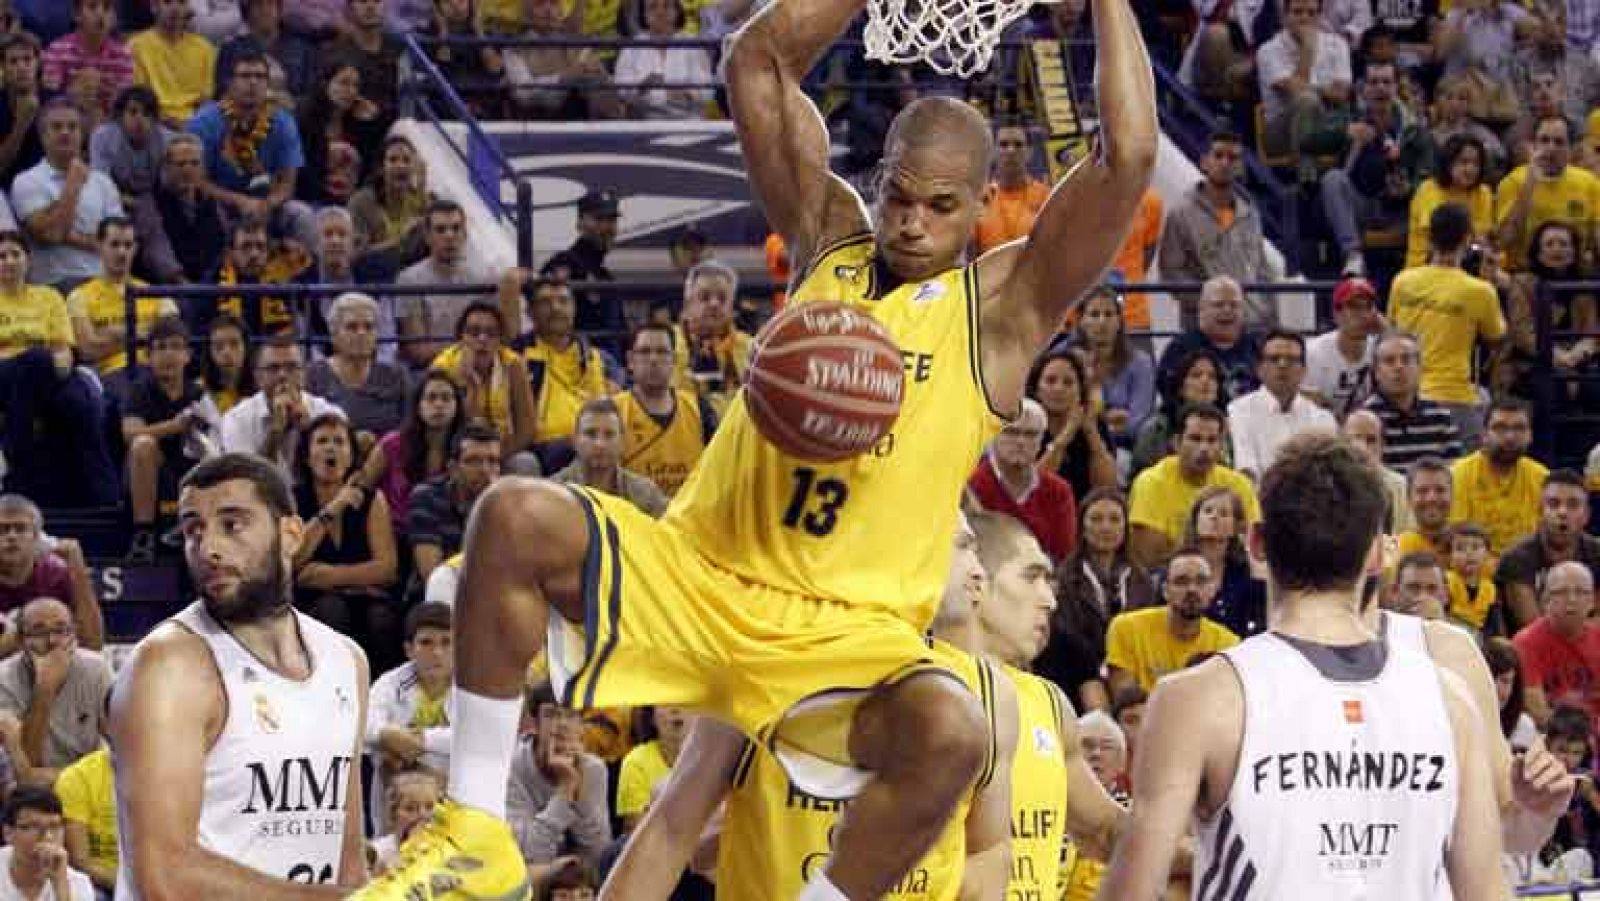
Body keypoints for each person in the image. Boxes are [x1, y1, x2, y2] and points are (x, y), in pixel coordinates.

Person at [357, 0, 1156, 891]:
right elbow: (756, 63)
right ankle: (473, 830)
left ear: (978, 210)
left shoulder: (999, 313)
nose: (911, 221)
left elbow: (1126, 158)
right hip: (702, 577)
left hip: (842, 634)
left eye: (940, 206)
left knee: (953, 732)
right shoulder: (828, 236)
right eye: (898, 195)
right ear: (878, 178)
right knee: (511, 516)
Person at [1098, 431, 1509, 898]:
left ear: (1256, 543)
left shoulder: (1198, 698)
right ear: (1378, 555)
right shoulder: (1450, 701)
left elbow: (1131, 891)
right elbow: (1487, 892)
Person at [598, 514, 1021, 901]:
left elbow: (989, 853)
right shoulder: (760, 670)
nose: (978, 570)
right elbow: (672, 831)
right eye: (961, 546)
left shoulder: (986, 694)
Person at [109, 453, 369, 898]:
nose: (208, 548)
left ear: (291, 534)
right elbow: (165, 876)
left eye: (232, 525)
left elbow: (348, 859)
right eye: (193, 530)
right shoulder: (169, 664)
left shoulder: (346, 660)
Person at [966, 511, 1134, 900]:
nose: (1050, 600)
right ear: (976, 580)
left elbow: (1103, 830)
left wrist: (1208, 852)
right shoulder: (918, 694)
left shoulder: (1050, 702)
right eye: (1031, 577)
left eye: (1050, 581)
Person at [1389, 202, 1507, 447]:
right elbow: (1497, 338)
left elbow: (1391, 329)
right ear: (1467, 239)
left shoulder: (1402, 281)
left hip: (1405, 394)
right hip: (1454, 396)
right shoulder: (1480, 290)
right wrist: (1491, 282)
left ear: (1430, 238)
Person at [291, 415, 400, 668]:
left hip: (367, 597)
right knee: (332, 611)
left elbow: (386, 568)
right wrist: (334, 508)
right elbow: (292, 561)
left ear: (351, 456)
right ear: (307, 456)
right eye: (322, 441)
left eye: (339, 442)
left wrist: (327, 575)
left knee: (380, 619)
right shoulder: (294, 499)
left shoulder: (372, 500)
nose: (331, 448)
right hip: (312, 601)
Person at [1037, 488, 1156, 712]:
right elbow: (1066, 638)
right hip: (1079, 681)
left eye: (1114, 519)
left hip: (1134, 679)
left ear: (1125, 527)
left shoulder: (1142, 581)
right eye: (1096, 519)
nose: (1106, 527)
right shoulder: (1064, 580)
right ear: (1082, 526)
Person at [11, 97, 124, 294]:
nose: (65, 132)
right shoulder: (26, 181)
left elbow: (117, 242)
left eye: (72, 127)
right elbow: (51, 236)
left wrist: (69, 235)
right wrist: (73, 184)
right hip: (54, 285)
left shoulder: (103, 182)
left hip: (102, 282)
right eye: (56, 127)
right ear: (43, 136)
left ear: (82, 134)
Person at [1128, 403, 1259, 567]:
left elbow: (1254, 548)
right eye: (1195, 439)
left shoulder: (1238, 484)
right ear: (1176, 443)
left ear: (1221, 446)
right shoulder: (1151, 482)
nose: (1204, 448)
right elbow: (1148, 559)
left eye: (1212, 440)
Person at [365, 603, 453, 835]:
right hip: (397, 808)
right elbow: (364, 725)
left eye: (446, 642)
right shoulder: (390, 683)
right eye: (426, 643)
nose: (437, 652)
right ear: (408, 649)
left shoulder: (471, 687)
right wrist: (387, 734)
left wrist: (420, 740)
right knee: (387, 753)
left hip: (456, 802)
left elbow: (475, 738)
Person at [122, 315, 204, 563]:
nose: (168, 355)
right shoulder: (138, 390)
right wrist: (175, 426)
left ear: (188, 355)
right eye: (160, 348)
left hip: (191, 467)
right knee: (142, 445)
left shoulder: (199, 392)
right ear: (148, 357)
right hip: (150, 470)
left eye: (176, 347)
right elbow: (130, 434)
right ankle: (143, 535)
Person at [1104, 544, 1239, 695]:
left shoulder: (1228, 644)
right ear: (1165, 591)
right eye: (1181, 581)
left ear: (1212, 590)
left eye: (1201, 581)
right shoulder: (1127, 629)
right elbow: (1125, 701)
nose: (1192, 589)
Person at [505, 683, 610, 871]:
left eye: (570, 715)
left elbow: (598, 854)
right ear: (534, 725)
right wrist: (565, 791)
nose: (562, 724)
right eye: (551, 715)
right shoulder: (512, 768)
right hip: (528, 874)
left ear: (581, 726)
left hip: (578, 877)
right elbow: (529, 855)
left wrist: (579, 785)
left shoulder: (594, 769)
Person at [355, 371, 464, 542]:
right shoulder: (392, 444)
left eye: (446, 398)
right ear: (418, 406)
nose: (439, 404)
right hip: (394, 536)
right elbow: (361, 490)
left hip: (448, 536)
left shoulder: (466, 448)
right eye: (431, 398)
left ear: (457, 406)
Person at [966, 398, 1078, 562]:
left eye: (1031, 434)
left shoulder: (1058, 491)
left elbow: (1064, 556)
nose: (1020, 441)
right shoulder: (970, 486)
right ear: (992, 435)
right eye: (1011, 432)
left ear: (1041, 441)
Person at [612, 324, 717, 498]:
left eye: (662, 352)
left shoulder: (699, 409)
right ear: (630, 361)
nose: (653, 359)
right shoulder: (612, 411)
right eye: (645, 352)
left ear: (674, 360)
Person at [1497, 469, 1600, 632]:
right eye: (1553, 504)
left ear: (1586, 515)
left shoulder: (1596, 554)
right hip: (1531, 645)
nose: (1562, 512)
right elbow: (1534, 627)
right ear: (1540, 511)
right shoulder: (1516, 558)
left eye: (1573, 505)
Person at [1226, 328, 1336, 482]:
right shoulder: (1238, 411)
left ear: (1304, 370)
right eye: (1274, 358)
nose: (1282, 365)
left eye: (1291, 359)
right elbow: (1246, 470)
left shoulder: (1322, 418)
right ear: (1259, 369)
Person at [1448, 397, 1547, 555]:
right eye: (1500, 428)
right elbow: (1456, 538)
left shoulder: (1541, 477)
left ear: (1530, 435)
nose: (1510, 437)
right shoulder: (1459, 474)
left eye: (1519, 428)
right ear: (1484, 434)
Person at [0, 495, 102, 643]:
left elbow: (93, 642)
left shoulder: (56, 574)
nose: (12, 536)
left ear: (37, 537)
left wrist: (77, 563)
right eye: (2, 530)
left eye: (20, 529)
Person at [1512, 561, 1600, 728]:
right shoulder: (1526, 643)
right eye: (1561, 592)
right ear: (1545, 600)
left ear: (1592, 601)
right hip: (1553, 735)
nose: (1572, 599)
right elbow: (1538, 713)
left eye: (1581, 592)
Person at [550, 399, 669, 519]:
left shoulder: (646, 494)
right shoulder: (553, 493)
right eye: (591, 434)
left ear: (622, 442)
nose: (600, 444)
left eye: (609, 434)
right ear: (575, 441)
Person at [1362, 330, 1464, 470]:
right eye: (1389, 361)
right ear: (1376, 372)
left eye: (1406, 359)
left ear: (1419, 368)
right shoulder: (1364, 418)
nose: (1399, 367)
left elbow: (1453, 472)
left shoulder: (1440, 416)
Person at [1302, 276, 1383, 418]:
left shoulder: (1382, 350)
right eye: (1354, 307)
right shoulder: (1312, 353)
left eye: (1368, 307)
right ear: (1336, 315)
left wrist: (1386, 330)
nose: (1363, 315)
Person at [0, 786, 94, 901]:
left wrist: (60, 885)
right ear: (8, 833)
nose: (48, 837)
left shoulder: (78, 883)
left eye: (54, 827)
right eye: (33, 826)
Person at [971, 122, 1050, 255]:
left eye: (1018, 144)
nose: (1011, 151)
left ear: (1029, 152)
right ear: (993, 152)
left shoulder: (1048, 198)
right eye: (1003, 144)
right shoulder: (979, 201)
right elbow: (970, 258)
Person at [1341, 408, 1415, 534]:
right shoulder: (1331, 487)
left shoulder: (1403, 487)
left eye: (1371, 440)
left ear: (1382, 445)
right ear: (1343, 443)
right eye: (1356, 439)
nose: (1363, 448)